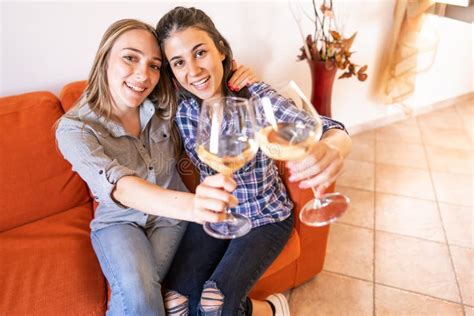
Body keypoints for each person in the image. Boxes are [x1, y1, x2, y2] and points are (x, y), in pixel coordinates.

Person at [155, 6, 352, 316]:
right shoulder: (179, 106)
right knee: (174, 302)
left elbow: (325, 127)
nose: (192, 71)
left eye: (200, 52)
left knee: (213, 307)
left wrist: (336, 145)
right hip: (214, 213)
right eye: (179, 62)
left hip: (265, 217)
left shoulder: (255, 97)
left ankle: (272, 311)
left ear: (220, 49)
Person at [55, 19, 254, 315]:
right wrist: (195, 206)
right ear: (104, 59)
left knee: (149, 294)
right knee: (138, 290)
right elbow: (121, 187)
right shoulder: (74, 129)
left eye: (153, 65)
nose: (142, 75)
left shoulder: (164, 101)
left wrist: (236, 77)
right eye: (130, 58)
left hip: (168, 220)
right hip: (120, 221)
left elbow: (202, 80)